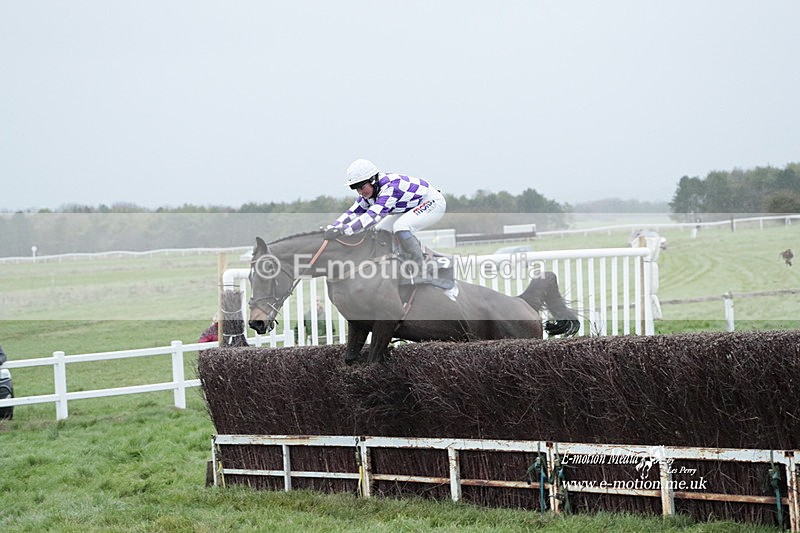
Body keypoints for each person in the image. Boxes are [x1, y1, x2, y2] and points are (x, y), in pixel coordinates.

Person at [324, 159, 446, 280]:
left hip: (432, 202)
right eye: (356, 188)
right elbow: (352, 212)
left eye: (361, 187)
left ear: (373, 180)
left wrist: (344, 230)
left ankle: (421, 268)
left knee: (400, 226)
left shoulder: (390, 187)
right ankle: (397, 265)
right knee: (379, 231)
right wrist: (333, 227)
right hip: (411, 206)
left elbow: (373, 216)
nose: (360, 192)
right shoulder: (371, 191)